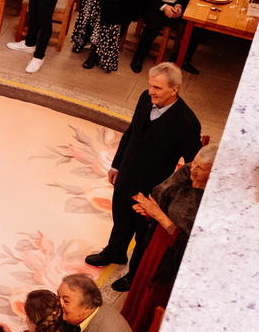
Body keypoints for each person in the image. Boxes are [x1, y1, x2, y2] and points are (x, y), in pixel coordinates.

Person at [86, 62, 203, 293]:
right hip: (126, 175)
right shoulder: (145, 97)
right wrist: (117, 165)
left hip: (151, 190)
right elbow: (131, 132)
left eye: (157, 87)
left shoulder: (187, 122)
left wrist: (174, 195)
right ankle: (114, 253)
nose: (151, 91)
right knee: (120, 221)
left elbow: (193, 165)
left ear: (174, 89)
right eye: (150, 85)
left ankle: (134, 274)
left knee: (143, 236)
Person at [121, 142, 216, 332]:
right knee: (140, 290)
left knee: (152, 303)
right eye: (194, 163)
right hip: (158, 246)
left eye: (201, 168)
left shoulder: (212, 202)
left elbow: (191, 244)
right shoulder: (187, 177)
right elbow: (162, 196)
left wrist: (159, 216)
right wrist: (151, 212)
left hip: (171, 262)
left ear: (215, 173)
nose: (192, 170)